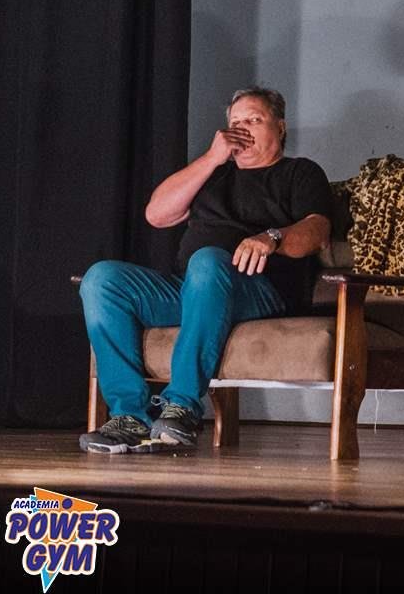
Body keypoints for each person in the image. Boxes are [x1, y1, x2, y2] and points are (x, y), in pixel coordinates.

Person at [78, 87, 331, 453]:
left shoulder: (299, 172)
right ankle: (130, 417)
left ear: (280, 127)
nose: (243, 129)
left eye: (254, 120)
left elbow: (317, 231)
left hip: (259, 289)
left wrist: (272, 237)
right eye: (236, 122)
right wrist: (212, 158)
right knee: (101, 279)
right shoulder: (212, 175)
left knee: (208, 260)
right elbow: (157, 214)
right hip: (193, 288)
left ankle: (181, 407)